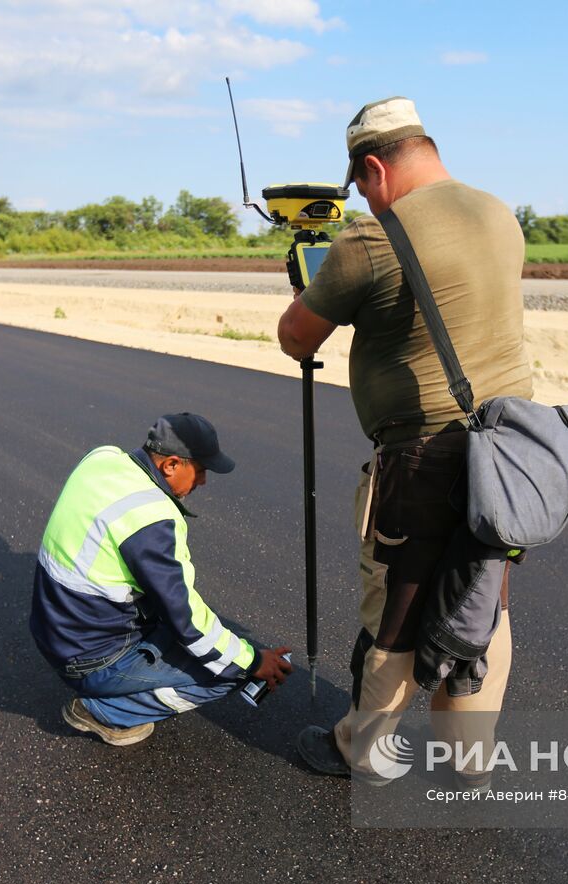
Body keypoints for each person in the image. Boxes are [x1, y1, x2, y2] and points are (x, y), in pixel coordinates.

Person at [276, 97, 533, 783]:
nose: (363, 198)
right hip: (511, 452)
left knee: (399, 604)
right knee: (481, 598)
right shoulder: (498, 214)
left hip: (424, 459)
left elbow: (297, 338)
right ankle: (470, 757)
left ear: (374, 167)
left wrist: (306, 286)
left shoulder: (370, 239)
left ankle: (360, 748)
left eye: (361, 184)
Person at [29, 412, 292, 746]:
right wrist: (253, 660)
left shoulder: (102, 458)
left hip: (54, 630)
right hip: (89, 658)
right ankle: (104, 712)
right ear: (171, 465)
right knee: (227, 670)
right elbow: (187, 620)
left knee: (205, 637)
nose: (203, 482)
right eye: (201, 470)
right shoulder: (151, 519)